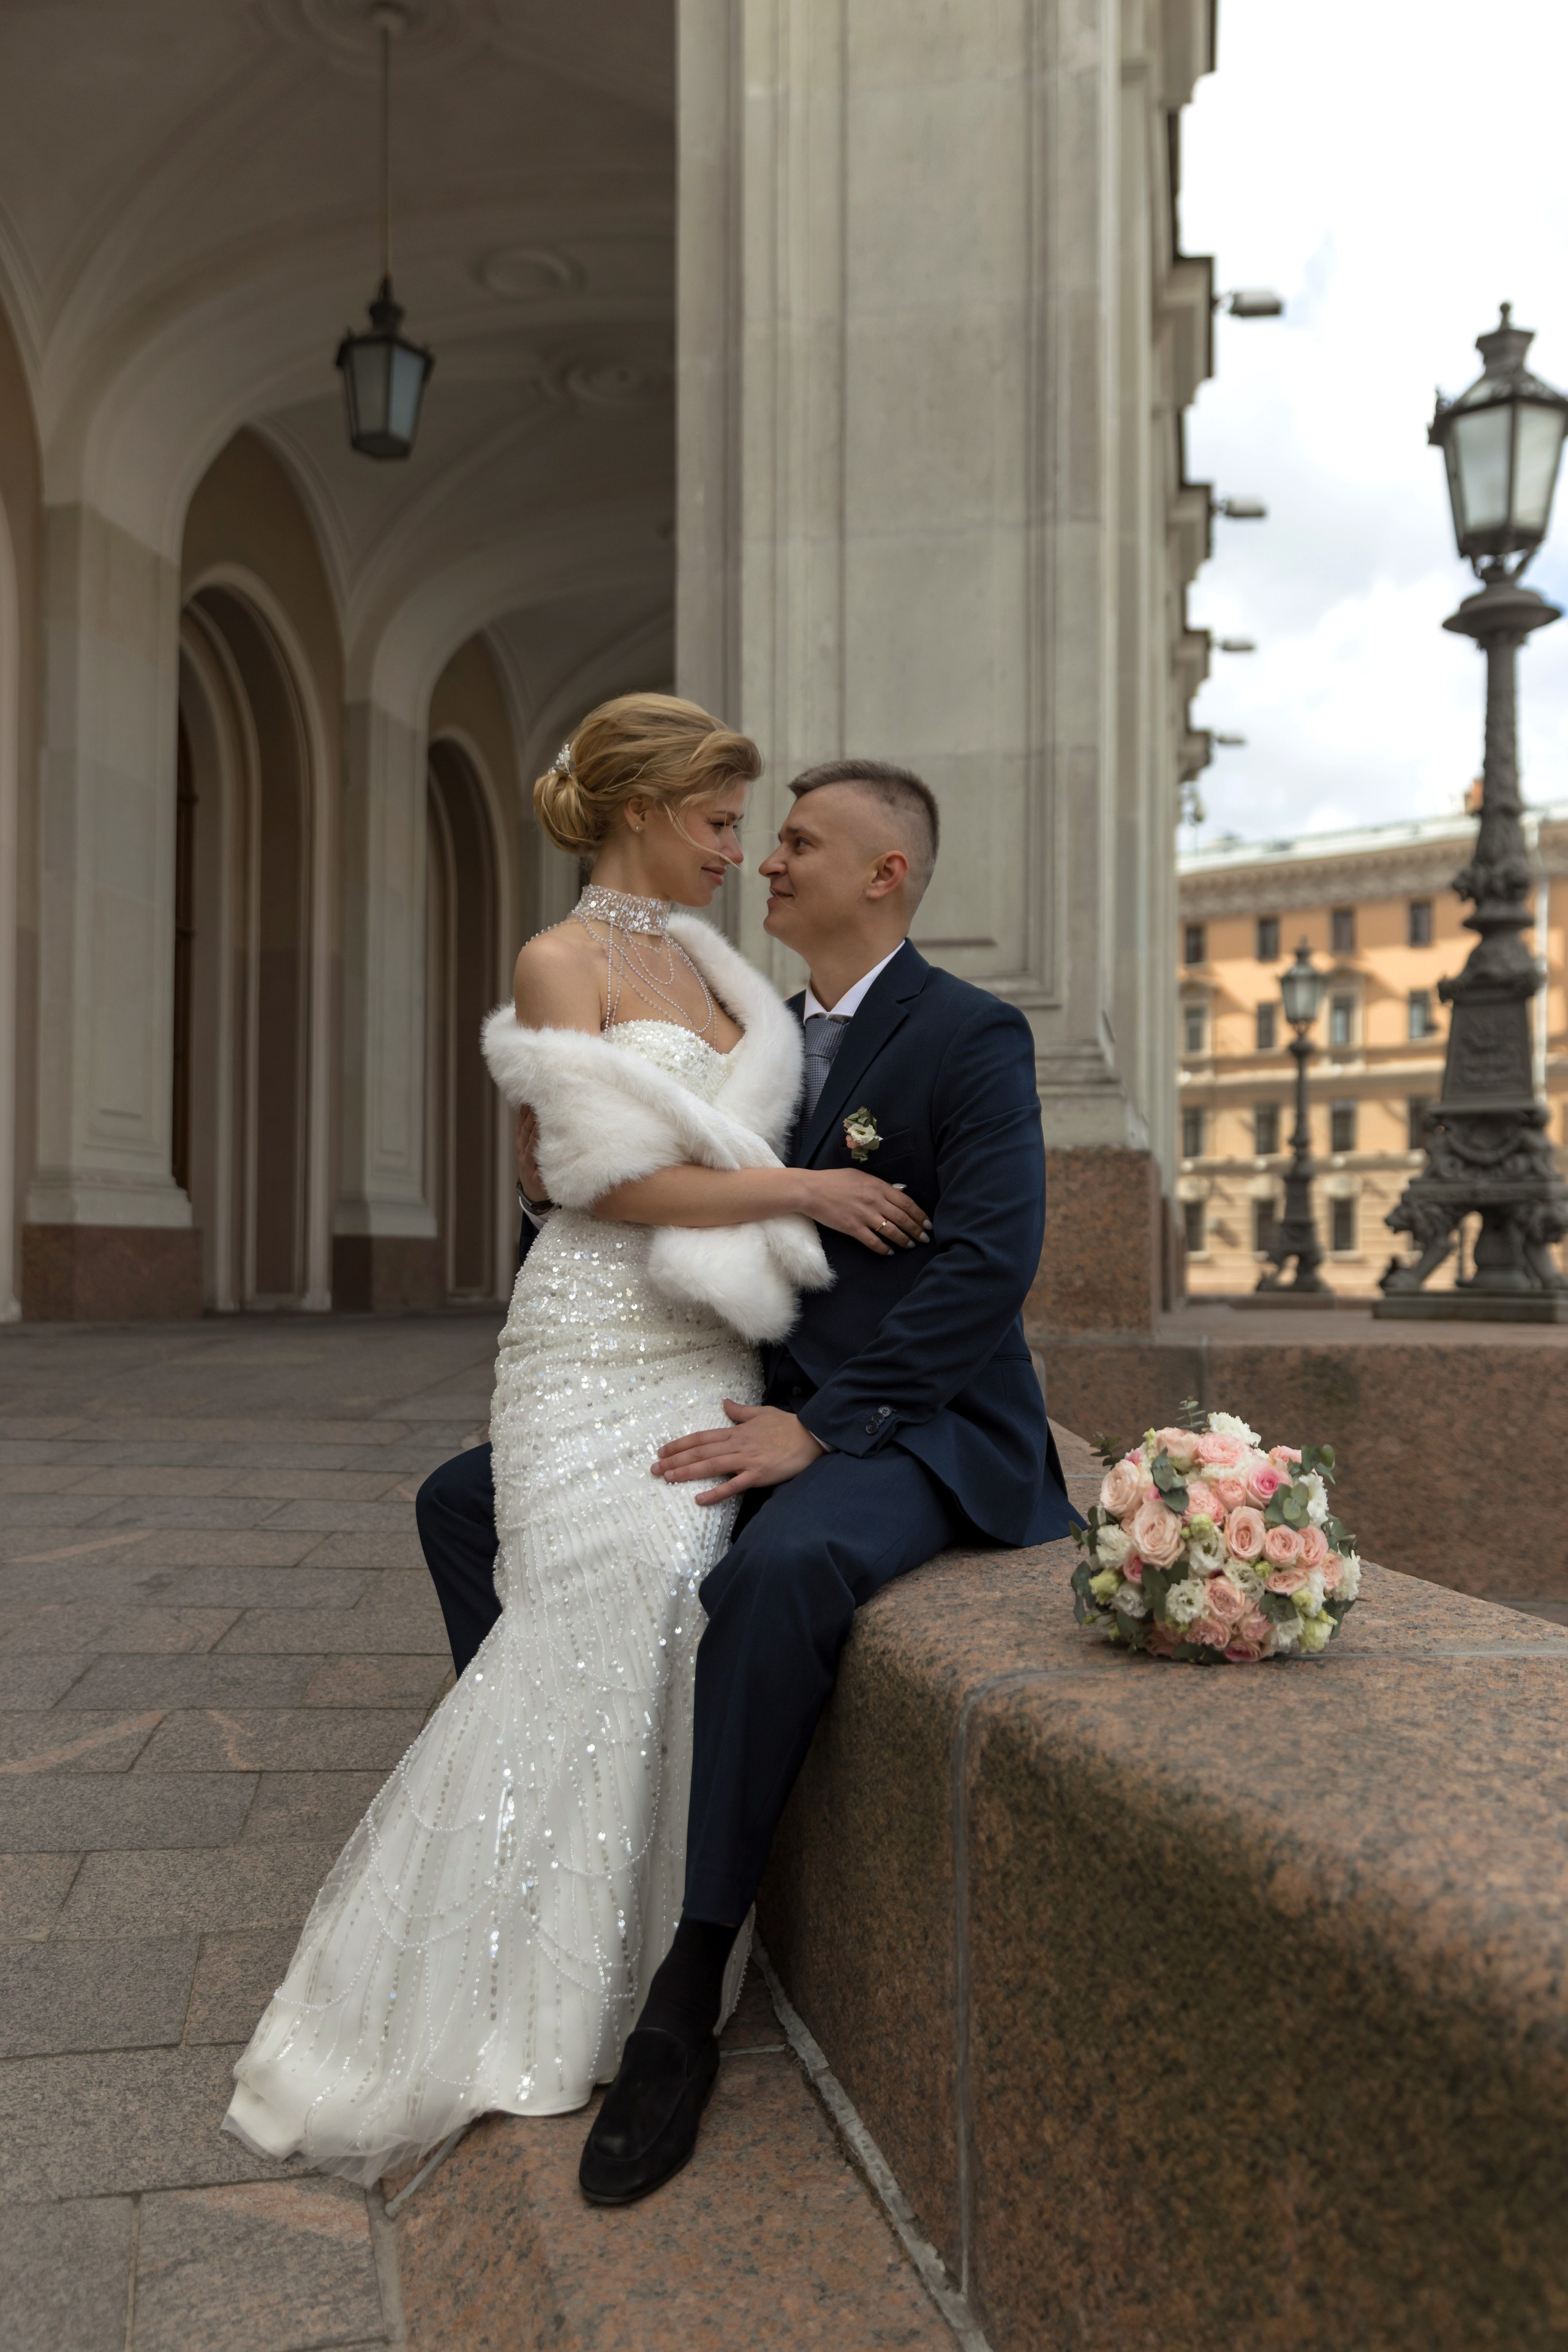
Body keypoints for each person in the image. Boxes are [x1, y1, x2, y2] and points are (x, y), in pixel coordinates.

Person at [221, 696, 925, 2185]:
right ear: (648, 808)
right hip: (591, 1344)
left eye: (755, 828)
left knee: (676, 1605)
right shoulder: (563, 959)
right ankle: (478, 1986)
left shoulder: (724, 969)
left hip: (710, 1347)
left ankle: (623, 1975)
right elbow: (594, 1189)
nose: (741, 852)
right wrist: (802, 1198)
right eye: (721, 821)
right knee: (597, 1610)